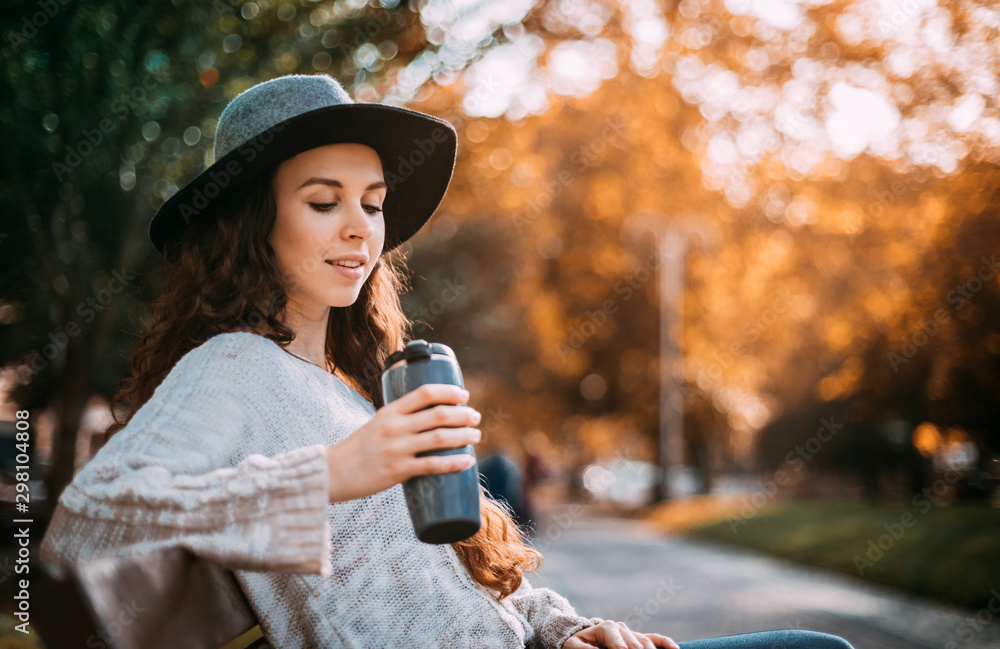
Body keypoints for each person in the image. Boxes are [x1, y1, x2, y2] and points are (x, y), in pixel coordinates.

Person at [39, 73, 854, 649]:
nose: (360, 229)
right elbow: (91, 523)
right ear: (250, 223)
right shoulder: (232, 368)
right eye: (323, 202)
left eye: (373, 203)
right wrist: (333, 473)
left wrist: (561, 626)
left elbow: (455, 589)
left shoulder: (358, 392)